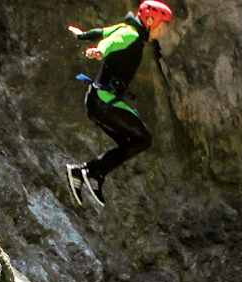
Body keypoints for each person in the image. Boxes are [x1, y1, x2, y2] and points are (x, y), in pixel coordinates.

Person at [65, 1, 174, 207]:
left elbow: (102, 32)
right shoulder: (130, 35)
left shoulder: (127, 28)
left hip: (97, 101)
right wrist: (99, 51)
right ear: (150, 21)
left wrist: (82, 35)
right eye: (161, 26)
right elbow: (110, 42)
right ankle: (93, 173)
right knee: (143, 140)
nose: (162, 32)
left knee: (132, 143)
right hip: (104, 103)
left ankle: (84, 173)